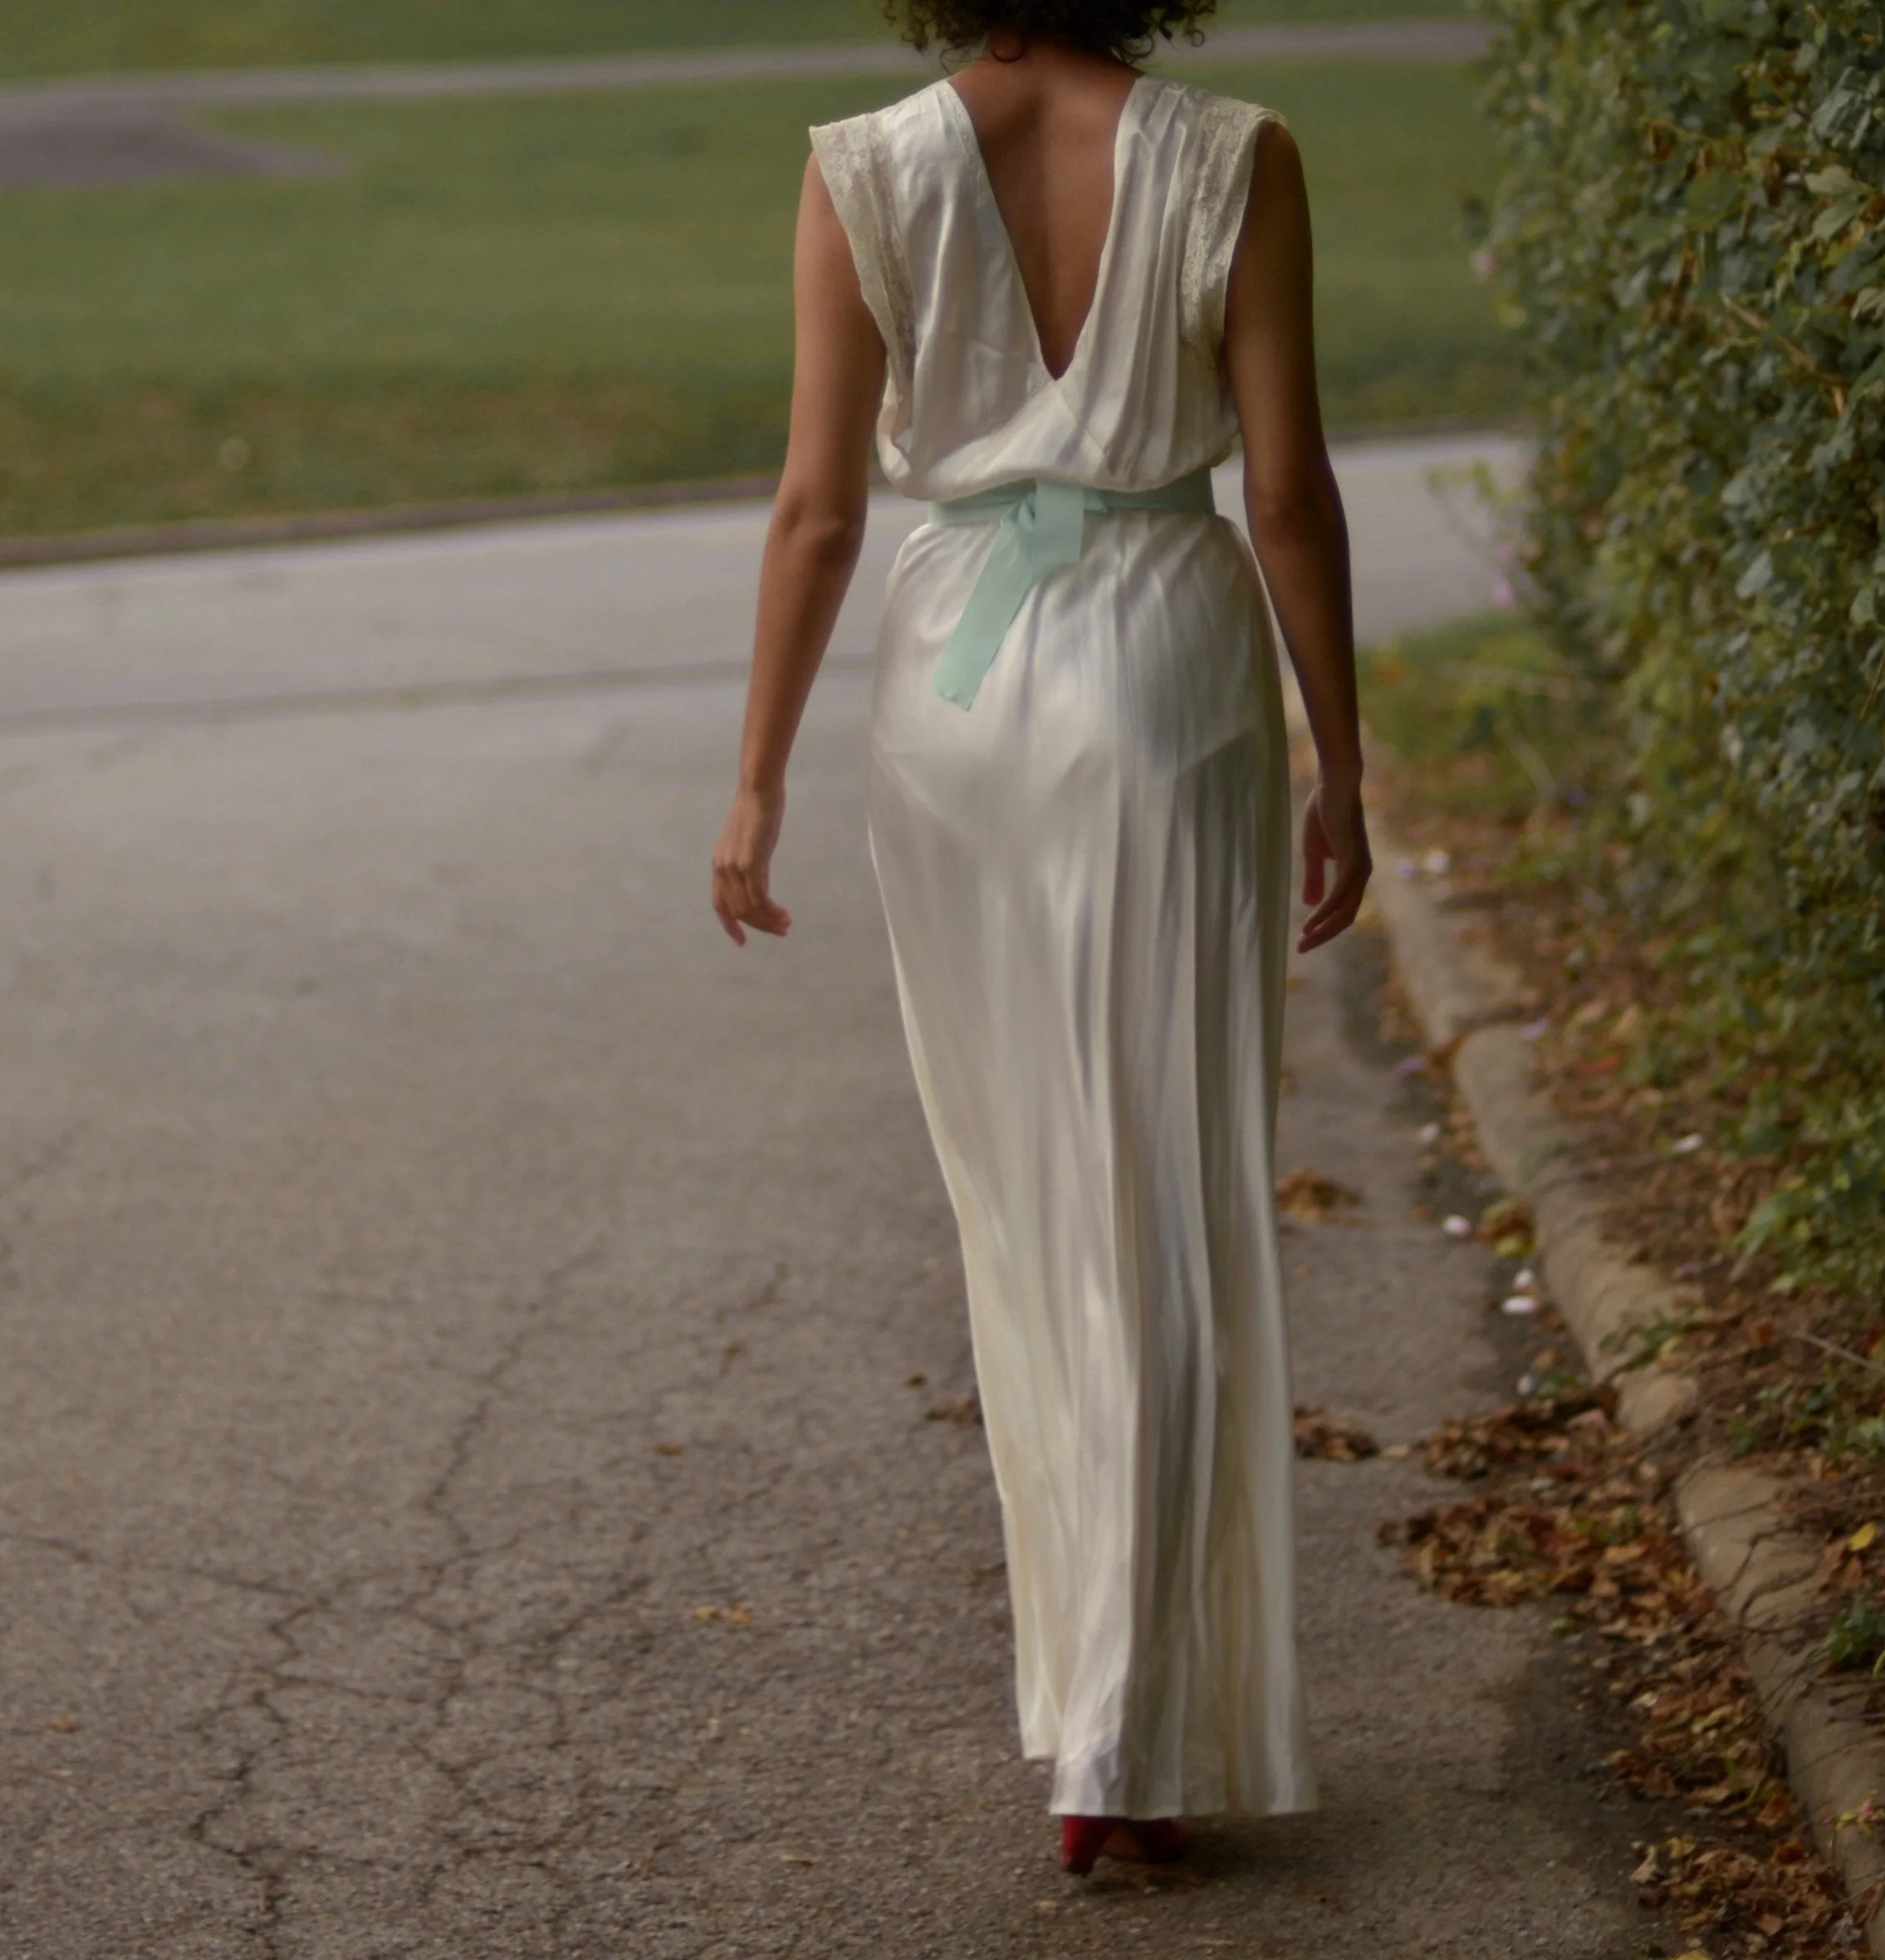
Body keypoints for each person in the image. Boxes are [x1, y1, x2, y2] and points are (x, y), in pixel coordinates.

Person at [710, 0, 1368, 1875]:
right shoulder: (1237, 154)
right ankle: (1122, 1734)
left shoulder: (860, 165)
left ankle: (1101, 1708)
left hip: (952, 685)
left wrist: (753, 781)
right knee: (1156, 1200)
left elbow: (816, 509)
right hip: (1162, 662)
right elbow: (1288, 492)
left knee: (1022, 1212)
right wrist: (1342, 757)